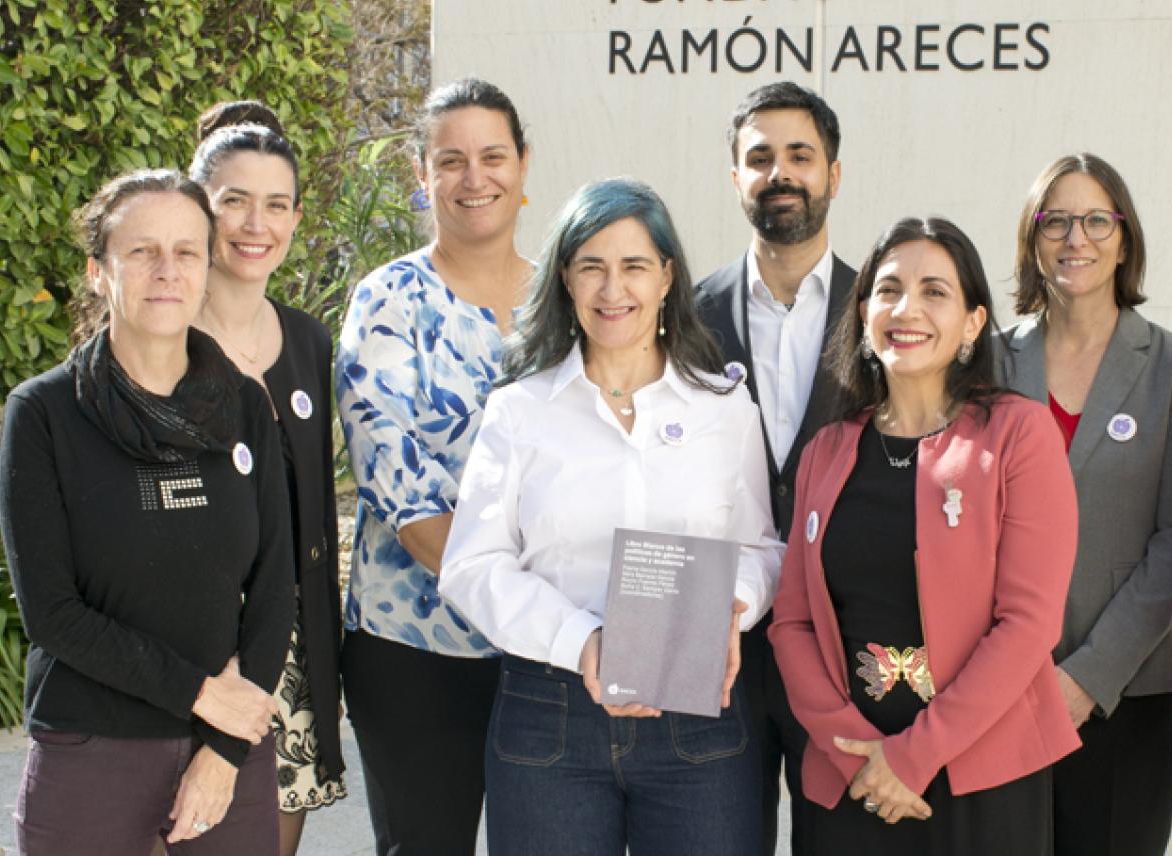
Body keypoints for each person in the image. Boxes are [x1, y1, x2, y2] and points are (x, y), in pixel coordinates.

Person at [438, 177, 785, 856]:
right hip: (550, 715)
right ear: (565, 278)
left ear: (666, 278)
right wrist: (583, 641)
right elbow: (471, 566)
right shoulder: (520, 409)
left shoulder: (722, 408)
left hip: (700, 716)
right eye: (591, 266)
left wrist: (730, 605)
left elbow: (763, 547)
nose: (612, 288)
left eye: (633, 266)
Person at [0, 169, 294, 853]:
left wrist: (221, 746)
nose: (167, 271)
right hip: (91, 750)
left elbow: (277, 586)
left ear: (207, 267)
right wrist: (199, 691)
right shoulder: (43, 414)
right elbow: (53, 613)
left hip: (224, 755)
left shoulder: (246, 405)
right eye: (142, 252)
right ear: (100, 271)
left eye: (186, 251)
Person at [769, 216, 1081, 855]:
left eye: (935, 290)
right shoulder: (826, 451)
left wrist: (913, 756)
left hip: (980, 781)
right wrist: (856, 757)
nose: (906, 308)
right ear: (862, 314)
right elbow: (792, 623)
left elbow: (1029, 624)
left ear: (972, 323)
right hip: (851, 780)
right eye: (888, 289)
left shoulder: (1019, 435)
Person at [335, 77, 531, 854]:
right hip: (415, 651)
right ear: (422, 175)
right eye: (450, 160)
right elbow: (397, 482)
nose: (473, 178)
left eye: (492, 156)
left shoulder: (572, 296)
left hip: (546, 651)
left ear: (523, 166)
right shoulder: (389, 299)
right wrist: (519, 608)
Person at [995, 153, 1172, 856]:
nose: (1074, 238)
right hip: (999, 688)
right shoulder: (989, 365)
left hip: (1130, 690)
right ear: (1033, 239)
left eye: (1095, 220)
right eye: (1055, 220)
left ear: (1124, 238)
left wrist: (1088, 677)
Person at [694, 80, 855, 856]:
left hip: (844, 638)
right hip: (715, 638)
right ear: (735, 177)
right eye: (760, 158)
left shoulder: (885, 312)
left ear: (833, 172)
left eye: (800, 155)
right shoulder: (684, 318)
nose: (780, 172)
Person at [188, 102, 347, 854]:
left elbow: (313, 514)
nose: (257, 224)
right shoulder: (163, 341)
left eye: (276, 205)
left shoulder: (308, 339)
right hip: (192, 661)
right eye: (235, 202)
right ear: (199, 209)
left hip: (292, 656)